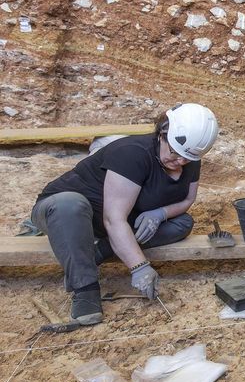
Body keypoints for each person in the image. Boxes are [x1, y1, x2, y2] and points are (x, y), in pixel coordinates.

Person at [31, 103, 219, 325]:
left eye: (187, 159)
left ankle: (100, 251)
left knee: (182, 223)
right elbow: (113, 219)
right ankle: (85, 289)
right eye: (175, 154)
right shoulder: (132, 154)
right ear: (163, 133)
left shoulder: (189, 157)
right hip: (64, 214)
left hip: (117, 218)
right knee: (70, 204)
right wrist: (140, 267)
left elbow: (187, 199)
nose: (181, 162)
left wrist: (161, 213)